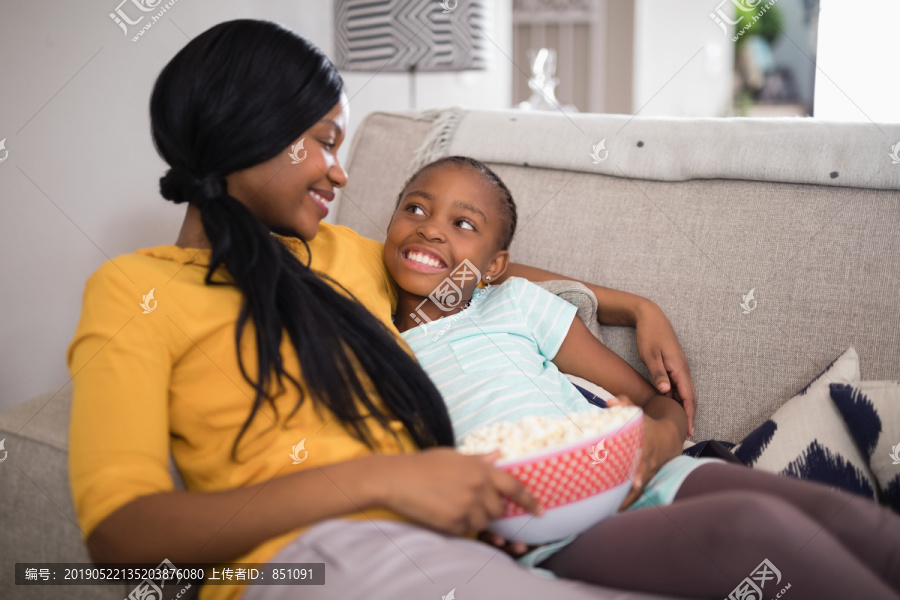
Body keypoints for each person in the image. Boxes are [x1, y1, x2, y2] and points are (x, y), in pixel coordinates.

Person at [68, 19, 704, 600]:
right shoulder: (134, 289)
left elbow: (461, 267)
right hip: (311, 563)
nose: (340, 175)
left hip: (461, 542)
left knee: (749, 544)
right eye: (324, 142)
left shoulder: (338, 254)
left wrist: (633, 306)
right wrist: (383, 481)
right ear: (250, 128)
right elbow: (120, 538)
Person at [385, 155, 900, 600]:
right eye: (416, 208)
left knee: (854, 523)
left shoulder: (514, 302)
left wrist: (657, 439)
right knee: (755, 529)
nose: (430, 228)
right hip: (543, 525)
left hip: (642, 470)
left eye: (464, 224)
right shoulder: (368, 346)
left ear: (497, 265)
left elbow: (658, 404)